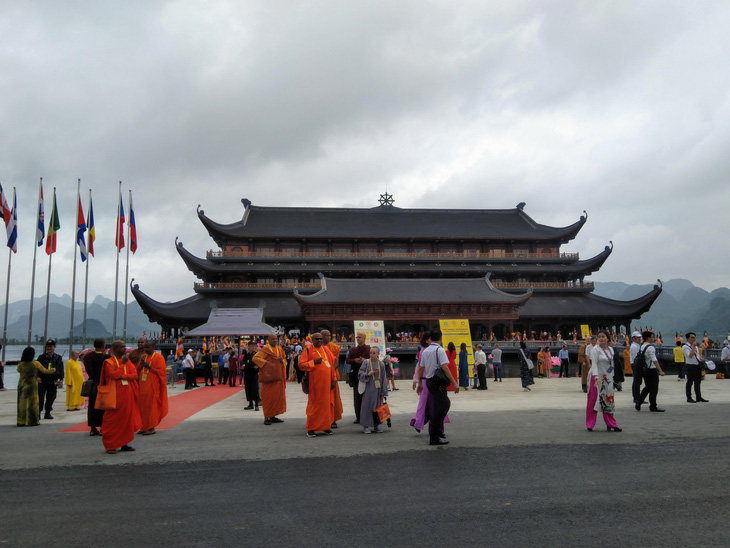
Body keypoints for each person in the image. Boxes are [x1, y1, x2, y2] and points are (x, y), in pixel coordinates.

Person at [101, 340, 142, 454]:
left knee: (126, 419)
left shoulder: (127, 362)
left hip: (127, 395)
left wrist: (122, 376)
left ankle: (124, 444)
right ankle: (111, 445)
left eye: (125, 346)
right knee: (113, 420)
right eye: (122, 347)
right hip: (115, 395)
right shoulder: (108, 362)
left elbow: (134, 375)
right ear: (114, 349)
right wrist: (123, 367)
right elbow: (113, 375)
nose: (124, 349)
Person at [423, 329, 459, 445]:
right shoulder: (440, 350)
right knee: (443, 406)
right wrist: (454, 382)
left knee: (439, 406)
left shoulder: (426, 351)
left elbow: (422, 366)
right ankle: (434, 436)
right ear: (440, 338)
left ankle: (436, 433)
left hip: (429, 381)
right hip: (437, 382)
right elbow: (445, 367)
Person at [410, 333, 450, 433]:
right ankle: (434, 429)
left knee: (429, 405)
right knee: (433, 405)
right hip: (428, 381)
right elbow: (419, 367)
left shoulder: (426, 350)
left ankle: (423, 423)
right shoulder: (427, 350)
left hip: (427, 381)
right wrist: (418, 382)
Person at [298, 332, 336, 437]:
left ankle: (325, 426)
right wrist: (314, 362)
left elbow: (332, 364)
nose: (319, 341)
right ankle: (311, 428)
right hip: (315, 384)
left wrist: (334, 379)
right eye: (317, 339)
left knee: (326, 405)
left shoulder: (325, 349)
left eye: (320, 339)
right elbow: (301, 365)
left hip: (327, 384)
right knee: (314, 406)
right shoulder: (307, 350)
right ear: (312, 340)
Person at [586, 330, 621, 432]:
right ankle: (590, 423)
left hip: (607, 378)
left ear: (607, 338)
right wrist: (596, 376)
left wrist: (611, 375)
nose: (601, 338)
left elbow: (611, 364)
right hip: (596, 378)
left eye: (603, 336)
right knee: (593, 400)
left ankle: (611, 423)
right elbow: (595, 364)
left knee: (608, 400)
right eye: (599, 337)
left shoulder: (611, 349)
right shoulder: (595, 350)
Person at [253, 334, 287, 425]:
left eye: (276, 339)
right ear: (268, 340)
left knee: (276, 398)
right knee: (267, 398)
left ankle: (273, 416)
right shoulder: (265, 350)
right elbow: (255, 358)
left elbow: (285, 361)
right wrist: (267, 364)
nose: (275, 340)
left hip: (278, 378)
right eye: (273, 339)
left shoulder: (279, 349)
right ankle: (266, 417)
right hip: (268, 378)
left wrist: (281, 361)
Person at [137, 340, 169, 436]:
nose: (145, 349)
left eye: (148, 347)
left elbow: (162, 373)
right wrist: (141, 364)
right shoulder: (144, 356)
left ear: (153, 347)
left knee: (151, 407)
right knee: (142, 407)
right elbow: (137, 369)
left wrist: (149, 367)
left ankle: (151, 427)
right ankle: (143, 426)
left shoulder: (159, 358)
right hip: (143, 386)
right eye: (145, 347)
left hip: (153, 386)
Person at [17, 347, 55, 426]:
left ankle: (21, 421)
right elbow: (44, 371)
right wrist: (52, 370)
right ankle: (33, 421)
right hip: (32, 386)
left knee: (22, 403)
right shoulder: (35, 363)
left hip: (22, 385)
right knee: (33, 403)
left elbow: (19, 371)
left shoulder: (20, 364)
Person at [358, 346, 389, 434]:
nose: (372, 355)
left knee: (377, 407)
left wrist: (383, 391)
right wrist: (368, 374)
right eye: (370, 353)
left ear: (378, 354)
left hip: (378, 389)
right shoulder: (366, 362)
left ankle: (376, 425)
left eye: (374, 353)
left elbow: (383, 378)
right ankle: (366, 426)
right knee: (367, 406)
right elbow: (360, 374)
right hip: (368, 388)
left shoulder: (381, 364)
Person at [635, 331, 665, 412]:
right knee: (654, 389)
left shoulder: (642, 346)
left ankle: (639, 401)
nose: (653, 338)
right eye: (652, 337)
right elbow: (654, 360)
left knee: (647, 387)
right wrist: (660, 370)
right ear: (648, 338)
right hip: (651, 369)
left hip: (645, 369)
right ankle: (653, 406)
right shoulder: (650, 347)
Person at [345, 332, 370, 424]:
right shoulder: (353, 350)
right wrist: (354, 360)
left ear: (364, 338)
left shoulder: (368, 349)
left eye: (360, 337)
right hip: (356, 375)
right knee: (357, 397)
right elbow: (347, 361)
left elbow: (374, 359)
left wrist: (365, 360)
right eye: (357, 337)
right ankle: (358, 417)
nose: (358, 339)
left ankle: (367, 416)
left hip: (367, 376)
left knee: (367, 397)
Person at [37, 339, 64, 419]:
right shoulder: (41, 357)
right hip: (43, 380)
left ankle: (47, 412)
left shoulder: (58, 358)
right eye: (47, 347)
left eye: (51, 346)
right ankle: (38, 412)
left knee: (52, 397)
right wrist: (37, 377)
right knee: (40, 397)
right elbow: (37, 369)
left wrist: (61, 380)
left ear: (54, 347)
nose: (49, 348)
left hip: (53, 380)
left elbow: (61, 370)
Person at [84, 338, 106, 436]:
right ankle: (102, 427)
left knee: (92, 405)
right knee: (103, 405)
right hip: (103, 383)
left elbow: (88, 370)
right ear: (104, 346)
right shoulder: (106, 357)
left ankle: (93, 428)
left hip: (92, 383)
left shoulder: (88, 357)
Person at [321, 329, 344, 428]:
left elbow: (336, 363)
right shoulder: (316, 348)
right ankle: (322, 418)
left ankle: (333, 419)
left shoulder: (334, 348)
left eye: (329, 335)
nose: (329, 337)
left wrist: (330, 373)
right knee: (322, 399)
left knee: (333, 398)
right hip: (320, 377)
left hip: (332, 376)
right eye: (326, 336)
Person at [683, 332, 708, 403]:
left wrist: (703, 359)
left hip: (697, 365)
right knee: (690, 382)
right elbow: (690, 355)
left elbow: (697, 356)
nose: (694, 339)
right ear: (688, 338)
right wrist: (693, 347)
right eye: (692, 337)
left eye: (694, 337)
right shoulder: (685, 347)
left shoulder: (696, 347)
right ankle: (689, 397)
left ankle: (698, 397)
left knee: (698, 382)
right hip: (690, 366)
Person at [240, 341, 260, 410]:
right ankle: (250, 403)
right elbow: (242, 363)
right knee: (248, 389)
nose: (253, 347)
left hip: (254, 374)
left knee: (255, 389)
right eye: (252, 346)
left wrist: (246, 365)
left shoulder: (256, 355)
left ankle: (256, 404)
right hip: (247, 374)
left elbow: (256, 365)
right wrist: (247, 365)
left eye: (254, 346)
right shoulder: (246, 355)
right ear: (248, 346)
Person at [629, 331, 644, 403]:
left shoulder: (637, 345)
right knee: (637, 381)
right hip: (636, 364)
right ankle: (636, 397)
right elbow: (636, 357)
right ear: (634, 338)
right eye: (638, 337)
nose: (639, 339)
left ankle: (638, 396)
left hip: (636, 364)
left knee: (638, 381)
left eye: (640, 337)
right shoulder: (634, 346)